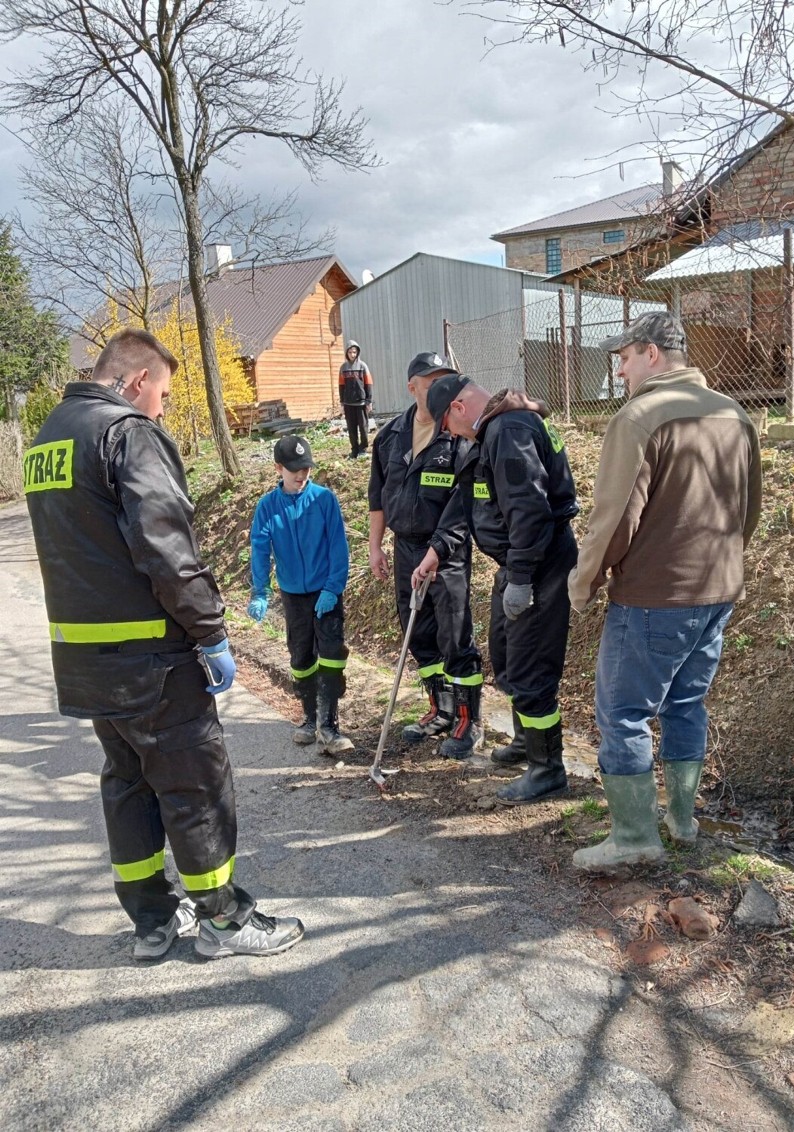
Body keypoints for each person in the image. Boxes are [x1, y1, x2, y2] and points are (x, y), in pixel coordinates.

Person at [24, 328, 304, 961]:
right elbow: (167, 551)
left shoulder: (47, 440)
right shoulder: (126, 434)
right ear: (136, 380)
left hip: (86, 660)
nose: (164, 407)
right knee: (194, 783)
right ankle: (224, 922)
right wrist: (210, 632)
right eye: (165, 393)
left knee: (127, 784)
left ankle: (152, 921)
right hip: (151, 657)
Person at [567, 311, 762, 873]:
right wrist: (724, 565)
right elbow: (749, 510)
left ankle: (632, 837)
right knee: (685, 703)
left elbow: (614, 518)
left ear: (651, 353)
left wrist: (584, 583)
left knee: (623, 712)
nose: (620, 371)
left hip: (654, 595)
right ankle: (682, 819)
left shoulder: (641, 417)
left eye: (623, 358)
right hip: (718, 589)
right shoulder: (734, 413)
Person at [423, 375, 579, 804]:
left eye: (446, 426)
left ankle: (548, 769)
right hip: (517, 564)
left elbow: (529, 508)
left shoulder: (508, 431)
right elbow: (475, 501)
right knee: (508, 654)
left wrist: (523, 578)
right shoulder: (497, 429)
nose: (449, 435)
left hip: (538, 565)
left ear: (457, 408)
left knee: (531, 667)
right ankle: (526, 742)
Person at [368, 352, 483, 758]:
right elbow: (377, 496)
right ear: (411, 386)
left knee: (455, 634)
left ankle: (469, 719)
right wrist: (375, 546)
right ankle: (441, 709)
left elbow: (465, 501)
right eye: (430, 381)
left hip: (446, 549)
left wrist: (438, 549)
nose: (437, 387)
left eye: (444, 381)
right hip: (405, 547)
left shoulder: (458, 435)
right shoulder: (390, 436)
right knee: (418, 633)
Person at [247, 434, 353, 755]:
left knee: (332, 655)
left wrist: (333, 588)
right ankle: (309, 718)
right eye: (294, 468)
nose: (301, 474)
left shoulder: (324, 500)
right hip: (293, 596)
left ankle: (330, 726)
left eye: (306, 467)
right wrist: (260, 591)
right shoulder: (267, 507)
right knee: (301, 658)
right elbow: (260, 549)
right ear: (278, 468)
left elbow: (339, 547)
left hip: (326, 594)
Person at [339, 340, 373, 458]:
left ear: (357, 352)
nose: (352, 354)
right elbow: (341, 386)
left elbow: (368, 384)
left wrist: (368, 401)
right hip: (348, 403)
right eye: (350, 352)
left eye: (354, 352)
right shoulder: (343, 368)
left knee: (363, 427)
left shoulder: (363, 366)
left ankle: (363, 448)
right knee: (351, 429)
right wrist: (342, 403)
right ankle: (354, 450)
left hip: (361, 403)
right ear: (347, 353)